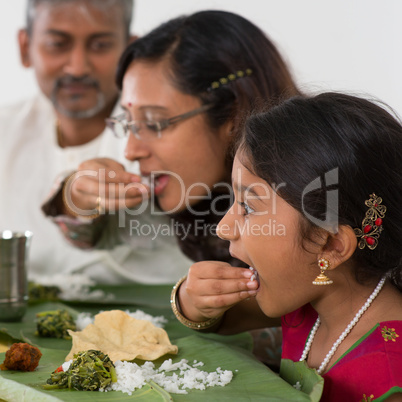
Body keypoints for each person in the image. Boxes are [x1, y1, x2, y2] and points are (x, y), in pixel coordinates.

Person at [48, 10, 300, 366]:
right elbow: (88, 232)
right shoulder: (182, 193)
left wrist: (206, 310)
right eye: (128, 123)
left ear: (232, 115)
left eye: (154, 123)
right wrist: (78, 195)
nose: (132, 150)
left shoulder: (308, 192)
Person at [172, 92, 402, 400]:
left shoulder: (391, 371)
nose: (223, 228)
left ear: (331, 245)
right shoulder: (310, 298)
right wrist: (192, 298)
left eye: (248, 207)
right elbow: (222, 316)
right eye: (234, 201)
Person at [0, 0, 194, 285]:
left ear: (130, 52)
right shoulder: (7, 129)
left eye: (100, 45)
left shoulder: (176, 129)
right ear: (25, 47)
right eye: (57, 44)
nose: (77, 67)